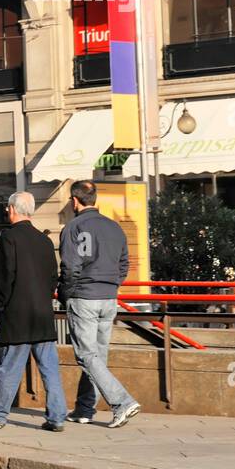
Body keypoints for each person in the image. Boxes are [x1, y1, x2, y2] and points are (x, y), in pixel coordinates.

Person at [0, 191, 67, 431]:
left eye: (7, 208)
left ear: (12, 209)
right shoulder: (45, 240)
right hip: (42, 315)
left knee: (10, 367)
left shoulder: (8, 238)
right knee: (50, 369)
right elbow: (52, 278)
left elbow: (4, 277)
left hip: (16, 314)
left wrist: (1, 305)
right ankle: (57, 417)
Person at [58, 179, 142, 429]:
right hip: (108, 298)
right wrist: (112, 285)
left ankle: (122, 402)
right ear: (95, 199)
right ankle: (85, 408)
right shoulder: (114, 227)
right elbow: (124, 263)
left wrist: (67, 294)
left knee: (86, 355)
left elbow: (70, 267)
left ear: (74, 201)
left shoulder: (72, 227)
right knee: (97, 356)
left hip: (84, 296)